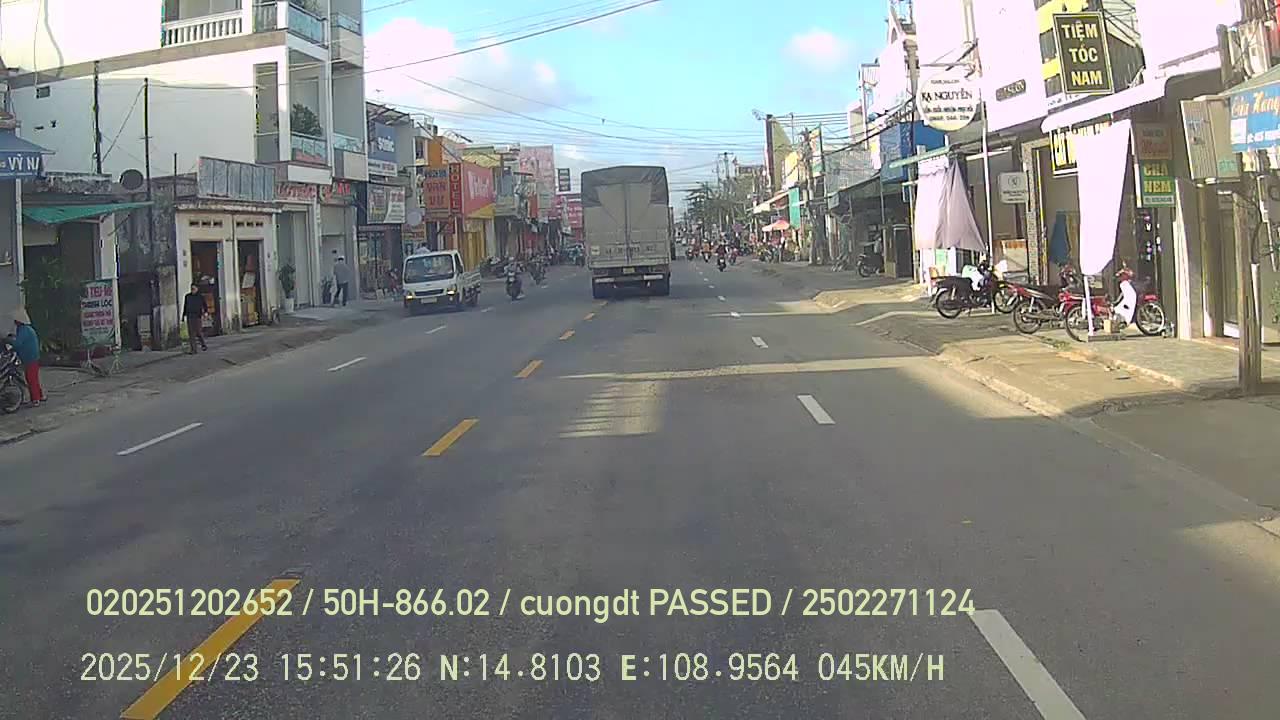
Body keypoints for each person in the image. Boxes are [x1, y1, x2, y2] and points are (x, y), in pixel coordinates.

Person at [10, 308, 43, 406]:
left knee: (31, 378)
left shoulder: (23, 330)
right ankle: (39, 396)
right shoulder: (27, 329)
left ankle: (35, 399)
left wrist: (9, 340)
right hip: (32, 357)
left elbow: (18, 343)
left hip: (30, 358)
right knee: (34, 378)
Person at [182, 284, 209, 354]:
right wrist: (183, 316)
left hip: (197, 316)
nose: (192, 290)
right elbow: (185, 306)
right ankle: (193, 349)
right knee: (191, 333)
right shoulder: (188, 296)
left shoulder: (200, 297)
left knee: (198, 332)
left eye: (194, 289)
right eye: (191, 289)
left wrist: (206, 312)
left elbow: (205, 305)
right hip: (190, 316)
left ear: (197, 289)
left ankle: (203, 344)